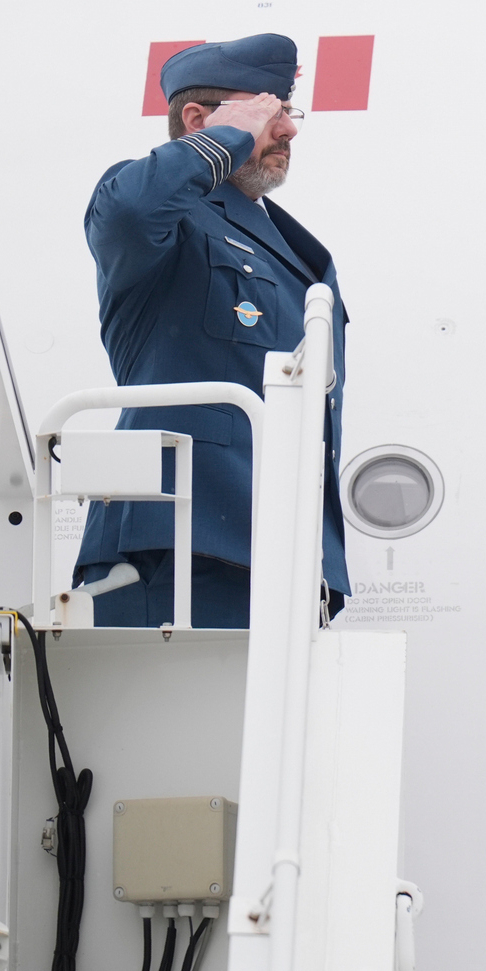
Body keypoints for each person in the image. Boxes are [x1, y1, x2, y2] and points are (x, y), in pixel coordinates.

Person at [74, 34, 351, 627]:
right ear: (199, 121)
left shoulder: (286, 247)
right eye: (268, 112)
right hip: (180, 549)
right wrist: (223, 141)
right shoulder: (163, 214)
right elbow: (130, 213)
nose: (289, 130)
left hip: (284, 557)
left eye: (288, 112)